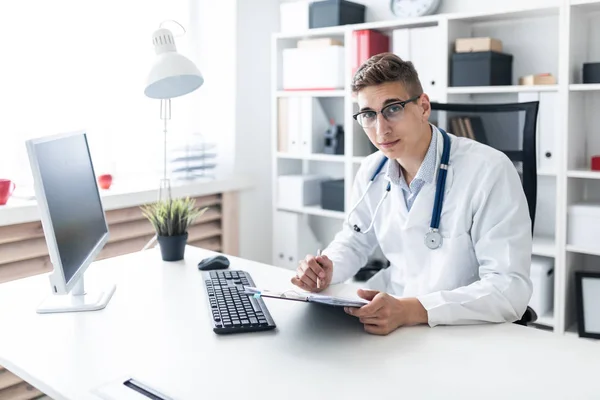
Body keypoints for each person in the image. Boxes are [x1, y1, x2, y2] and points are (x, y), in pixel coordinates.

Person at [291, 52, 533, 335]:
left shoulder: (489, 170)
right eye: (368, 115)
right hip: (394, 321)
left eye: (393, 108)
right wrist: (327, 268)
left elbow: (508, 289)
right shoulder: (372, 170)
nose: (381, 129)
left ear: (423, 106)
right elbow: (355, 240)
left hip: (465, 326)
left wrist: (411, 310)